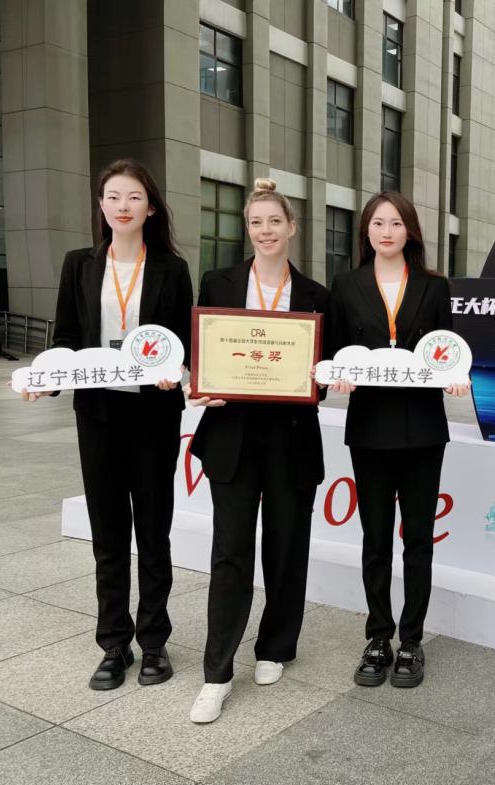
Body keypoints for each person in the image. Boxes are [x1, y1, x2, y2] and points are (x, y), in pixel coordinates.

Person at [23, 158, 193, 690]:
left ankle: (155, 642)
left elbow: (181, 344)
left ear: (151, 208)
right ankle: (114, 644)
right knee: (108, 532)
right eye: (114, 197)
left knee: (154, 531)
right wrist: (46, 379)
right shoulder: (79, 264)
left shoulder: (171, 268)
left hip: (152, 415)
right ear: (100, 205)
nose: (123, 206)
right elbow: (66, 338)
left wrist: (175, 371)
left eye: (134, 197)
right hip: (98, 416)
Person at [187, 178, 330, 724]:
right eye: (255, 223)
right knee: (230, 554)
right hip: (233, 435)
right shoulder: (218, 282)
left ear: (292, 227)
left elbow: (323, 377)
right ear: (247, 229)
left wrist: (323, 377)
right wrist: (200, 384)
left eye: (274, 221)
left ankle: (275, 647)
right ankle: (217, 674)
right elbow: (202, 353)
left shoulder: (317, 295)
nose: (265, 231)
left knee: (287, 549)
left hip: (292, 436)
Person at [327, 192, 470, 689]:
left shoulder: (434, 286)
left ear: (410, 231)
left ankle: (411, 640)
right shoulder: (346, 285)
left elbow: (447, 349)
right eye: (377, 223)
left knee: (418, 540)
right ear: (365, 231)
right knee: (375, 539)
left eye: (395, 223)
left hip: (423, 428)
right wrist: (338, 376)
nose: (386, 232)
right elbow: (334, 351)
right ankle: (378, 637)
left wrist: (454, 377)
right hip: (369, 428)